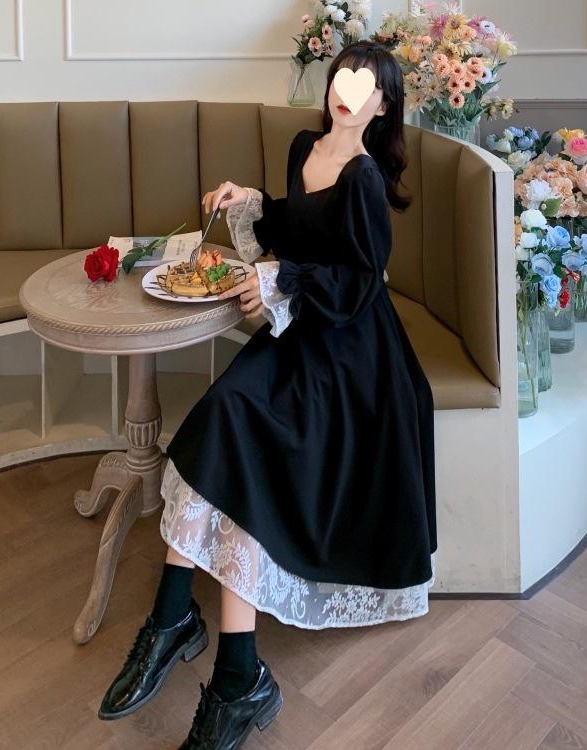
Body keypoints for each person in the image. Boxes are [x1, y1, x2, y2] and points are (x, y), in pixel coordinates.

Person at [98, 40, 437, 750]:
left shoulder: (366, 179)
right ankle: (200, 643)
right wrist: (248, 201)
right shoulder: (303, 147)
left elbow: (358, 281)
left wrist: (282, 282)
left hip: (353, 353)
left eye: (366, 84)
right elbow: (291, 227)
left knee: (240, 425)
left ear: (382, 105)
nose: (349, 90)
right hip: (303, 333)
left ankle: (202, 647)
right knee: (227, 416)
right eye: (343, 75)